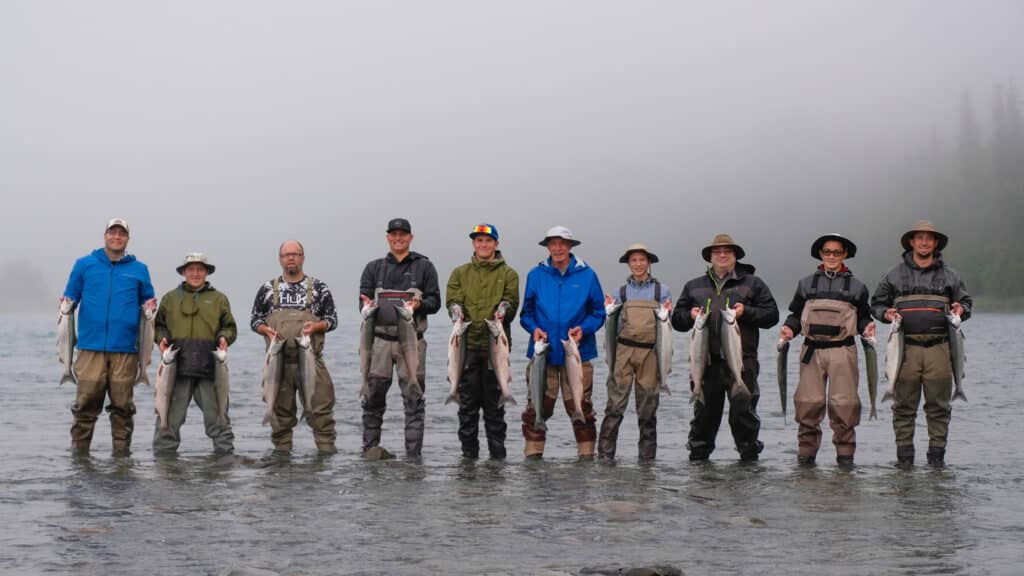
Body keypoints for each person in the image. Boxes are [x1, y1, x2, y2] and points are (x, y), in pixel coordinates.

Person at [871, 220, 972, 467]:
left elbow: (966, 303)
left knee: (939, 407)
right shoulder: (892, 274)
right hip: (904, 348)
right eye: (920, 238)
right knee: (903, 407)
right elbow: (876, 305)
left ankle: (936, 460)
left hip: (940, 348)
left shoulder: (951, 275)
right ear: (911, 242)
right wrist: (886, 314)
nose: (924, 242)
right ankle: (904, 462)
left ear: (936, 243)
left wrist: (962, 309)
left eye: (929, 238)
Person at [671, 234, 778, 462]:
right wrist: (688, 316)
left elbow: (772, 316)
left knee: (743, 415)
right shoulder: (693, 286)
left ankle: (748, 464)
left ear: (735, 256)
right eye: (717, 251)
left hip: (742, 362)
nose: (722, 255)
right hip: (705, 364)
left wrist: (746, 312)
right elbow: (676, 321)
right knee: (703, 418)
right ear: (710, 256)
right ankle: (699, 467)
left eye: (727, 251)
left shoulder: (753, 283)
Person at [62, 218, 156, 456]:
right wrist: (66, 303)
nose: (117, 237)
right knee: (85, 407)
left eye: (121, 233)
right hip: (89, 348)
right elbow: (70, 298)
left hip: (126, 350)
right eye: (112, 232)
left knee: (123, 408)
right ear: (105, 235)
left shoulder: (139, 269)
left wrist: (150, 306)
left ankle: (121, 462)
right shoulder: (84, 264)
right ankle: (80, 459)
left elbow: (148, 302)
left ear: (127, 238)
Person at [779, 234, 874, 467]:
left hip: (843, 351)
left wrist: (867, 328)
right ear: (821, 254)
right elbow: (794, 314)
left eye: (837, 252)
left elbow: (863, 318)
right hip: (811, 351)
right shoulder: (805, 283)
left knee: (844, 406)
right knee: (808, 404)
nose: (832, 256)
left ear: (845, 255)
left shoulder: (858, 286)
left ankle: (845, 460)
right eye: (827, 252)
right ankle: (805, 459)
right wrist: (789, 329)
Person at [520, 226, 606, 460]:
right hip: (542, 353)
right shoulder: (535, 275)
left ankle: (586, 461)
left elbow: (599, 312)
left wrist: (584, 329)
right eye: (553, 243)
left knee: (581, 409)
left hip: (577, 352)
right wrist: (533, 329)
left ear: (570, 246)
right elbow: (525, 313)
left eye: (562, 243)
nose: (557, 248)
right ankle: (533, 461)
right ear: (547, 246)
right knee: (537, 409)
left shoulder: (587, 274)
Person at [358, 218, 441, 459]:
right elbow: (361, 302)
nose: (398, 238)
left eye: (403, 235)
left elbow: (435, 302)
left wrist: (420, 304)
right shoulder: (373, 268)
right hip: (379, 342)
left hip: (412, 341)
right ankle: (370, 453)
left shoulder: (425, 267)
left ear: (410, 238)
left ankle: (413, 459)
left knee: (414, 401)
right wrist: (367, 305)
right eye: (393, 234)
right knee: (372, 399)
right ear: (387, 237)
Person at [251, 240, 338, 454]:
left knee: (321, 414)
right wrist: (266, 330)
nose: (291, 258)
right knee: (280, 418)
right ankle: (282, 464)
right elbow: (255, 321)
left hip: (311, 361)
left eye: (295, 254)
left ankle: (326, 462)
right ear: (280, 259)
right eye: (286, 254)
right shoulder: (267, 289)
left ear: (303, 257)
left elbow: (332, 320)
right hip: (278, 363)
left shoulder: (319, 288)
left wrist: (317, 326)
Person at [445, 223, 520, 460]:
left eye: (488, 241)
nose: (483, 245)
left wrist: (503, 309)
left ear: (496, 244)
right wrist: (455, 310)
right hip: (466, 349)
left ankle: (497, 462)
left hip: (495, 351)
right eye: (479, 241)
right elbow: (452, 300)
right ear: (474, 244)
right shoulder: (460, 273)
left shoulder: (509, 274)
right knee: (467, 410)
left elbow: (511, 302)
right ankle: (469, 461)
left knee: (494, 411)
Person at [152, 253, 237, 455]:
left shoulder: (219, 299)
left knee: (219, 420)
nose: (196, 273)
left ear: (207, 272)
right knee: (168, 422)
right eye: (191, 269)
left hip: (209, 370)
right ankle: (165, 469)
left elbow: (230, 327)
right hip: (176, 370)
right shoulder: (170, 298)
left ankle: (224, 466)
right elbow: (159, 326)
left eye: (200, 269)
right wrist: (161, 339)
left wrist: (225, 337)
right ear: (183, 272)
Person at [598, 244, 672, 461]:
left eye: (642, 260)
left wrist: (669, 311)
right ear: (628, 264)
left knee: (648, 412)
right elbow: (612, 325)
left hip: (651, 353)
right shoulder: (619, 293)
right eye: (634, 261)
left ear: (649, 262)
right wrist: (608, 310)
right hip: (623, 353)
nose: (638, 264)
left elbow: (667, 325)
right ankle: (604, 458)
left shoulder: (662, 291)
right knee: (614, 407)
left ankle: (647, 463)